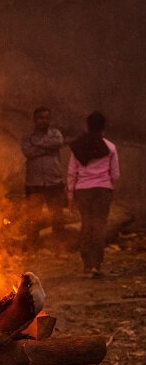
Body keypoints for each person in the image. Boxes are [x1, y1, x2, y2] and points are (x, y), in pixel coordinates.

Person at [67, 112, 119, 278]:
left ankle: (86, 265)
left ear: (87, 126)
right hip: (103, 190)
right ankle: (96, 265)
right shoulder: (110, 147)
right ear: (103, 128)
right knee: (99, 227)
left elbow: (72, 172)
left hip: (83, 190)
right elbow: (115, 174)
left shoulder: (78, 147)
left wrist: (70, 195)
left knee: (86, 225)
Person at [20, 106, 65, 247]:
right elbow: (28, 152)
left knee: (57, 217)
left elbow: (58, 143)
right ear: (34, 119)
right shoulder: (27, 137)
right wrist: (47, 148)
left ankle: (59, 248)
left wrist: (37, 145)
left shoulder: (56, 134)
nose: (43, 121)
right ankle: (32, 248)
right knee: (33, 218)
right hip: (34, 184)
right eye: (40, 118)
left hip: (54, 182)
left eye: (46, 118)